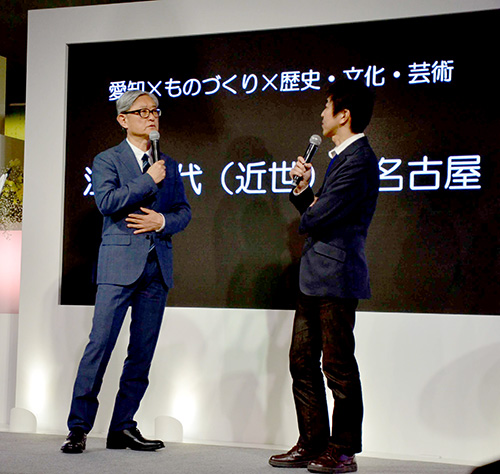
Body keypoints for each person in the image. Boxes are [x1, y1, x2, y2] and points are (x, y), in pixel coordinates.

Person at [61, 90, 191, 453]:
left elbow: (183, 211)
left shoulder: (168, 163)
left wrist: (162, 221)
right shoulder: (108, 159)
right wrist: (148, 179)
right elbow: (106, 201)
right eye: (142, 111)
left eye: (155, 110)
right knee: (100, 346)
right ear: (123, 119)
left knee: (141, 353)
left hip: (157, 267)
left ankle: (122, 426)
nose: (151, 117)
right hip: (118, 266)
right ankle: (78, 428)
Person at [269, 79, 379, 473]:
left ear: (343, 115)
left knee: (338, 367)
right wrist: (305, 190)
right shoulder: (339, 158)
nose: (321, 113)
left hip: (337, 276)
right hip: (315, 276)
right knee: (301, 362)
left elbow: (318, 217)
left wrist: (311, 202)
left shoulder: (359, 160)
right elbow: (319, 212)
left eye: (327, 105)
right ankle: (313, 442)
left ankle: (343, 450)